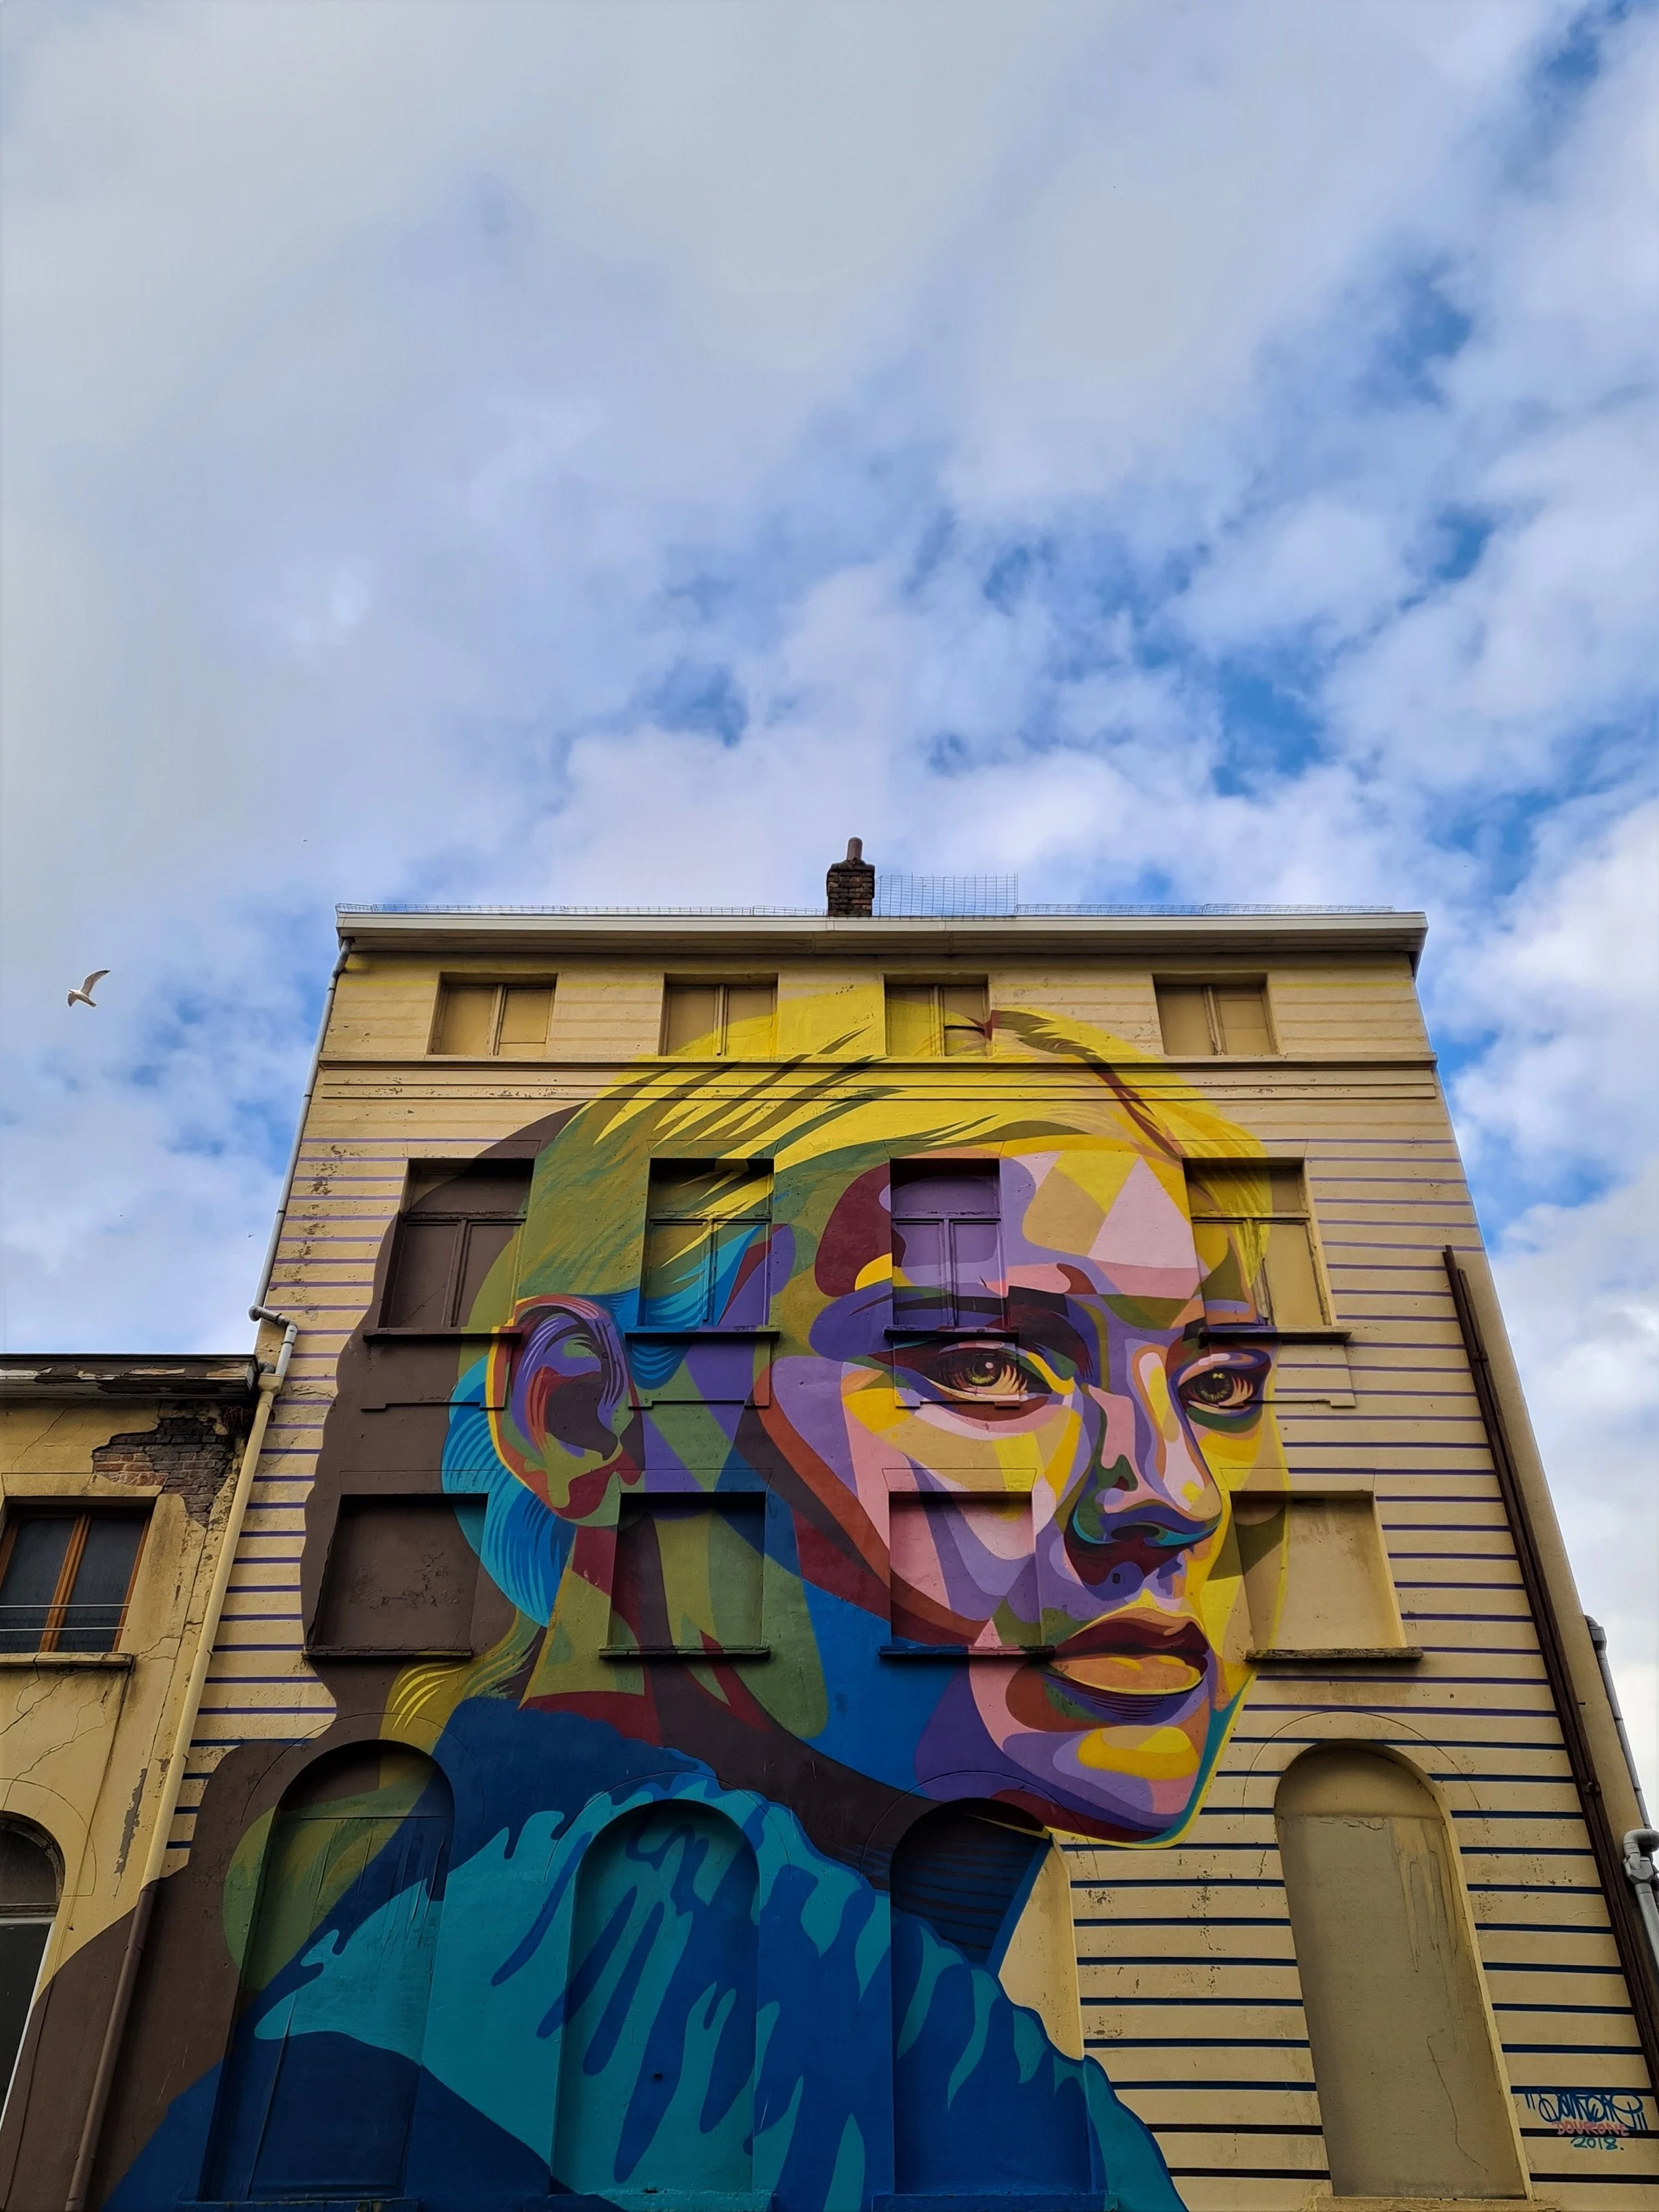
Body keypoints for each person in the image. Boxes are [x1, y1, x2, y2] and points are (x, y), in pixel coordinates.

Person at [115, 1011, 1287, 2212]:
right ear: (579, 1413)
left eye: (1220, 1384)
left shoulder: (889, 2043)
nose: (1175, 1497)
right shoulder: (503, 2051)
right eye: (983, 1365)